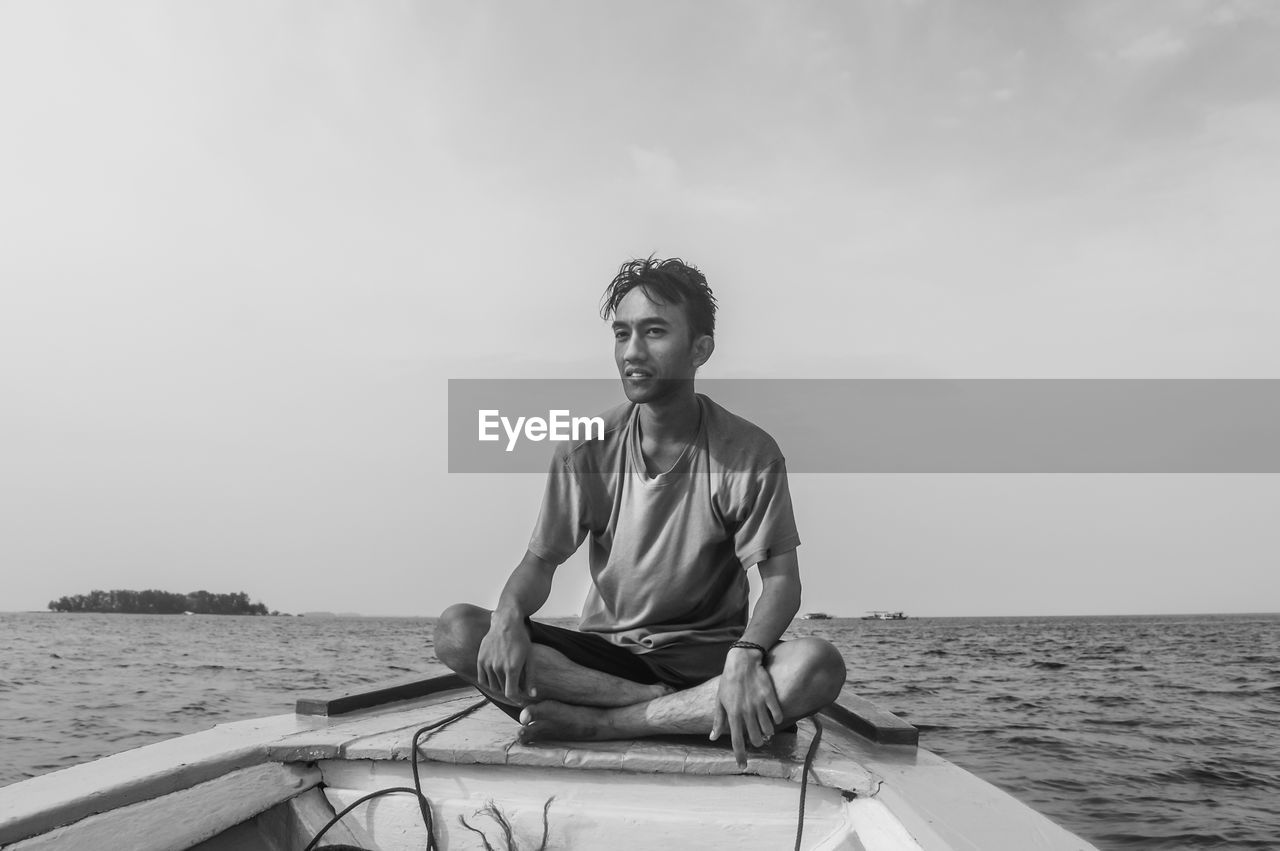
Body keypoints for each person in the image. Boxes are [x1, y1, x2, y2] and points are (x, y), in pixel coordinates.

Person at [434, 257, 846, 768]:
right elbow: (539, 562)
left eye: (654, 332)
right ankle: (661, 709)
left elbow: (781, 582)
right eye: (622, 333)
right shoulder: (586, 451)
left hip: (710, 663)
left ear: (701, 349)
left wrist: (747, 654)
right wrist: (507, 617)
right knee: (458, 631)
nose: (632, 351)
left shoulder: (747, 453)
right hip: (607, 665)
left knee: (817, 665)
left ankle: (604, 724)